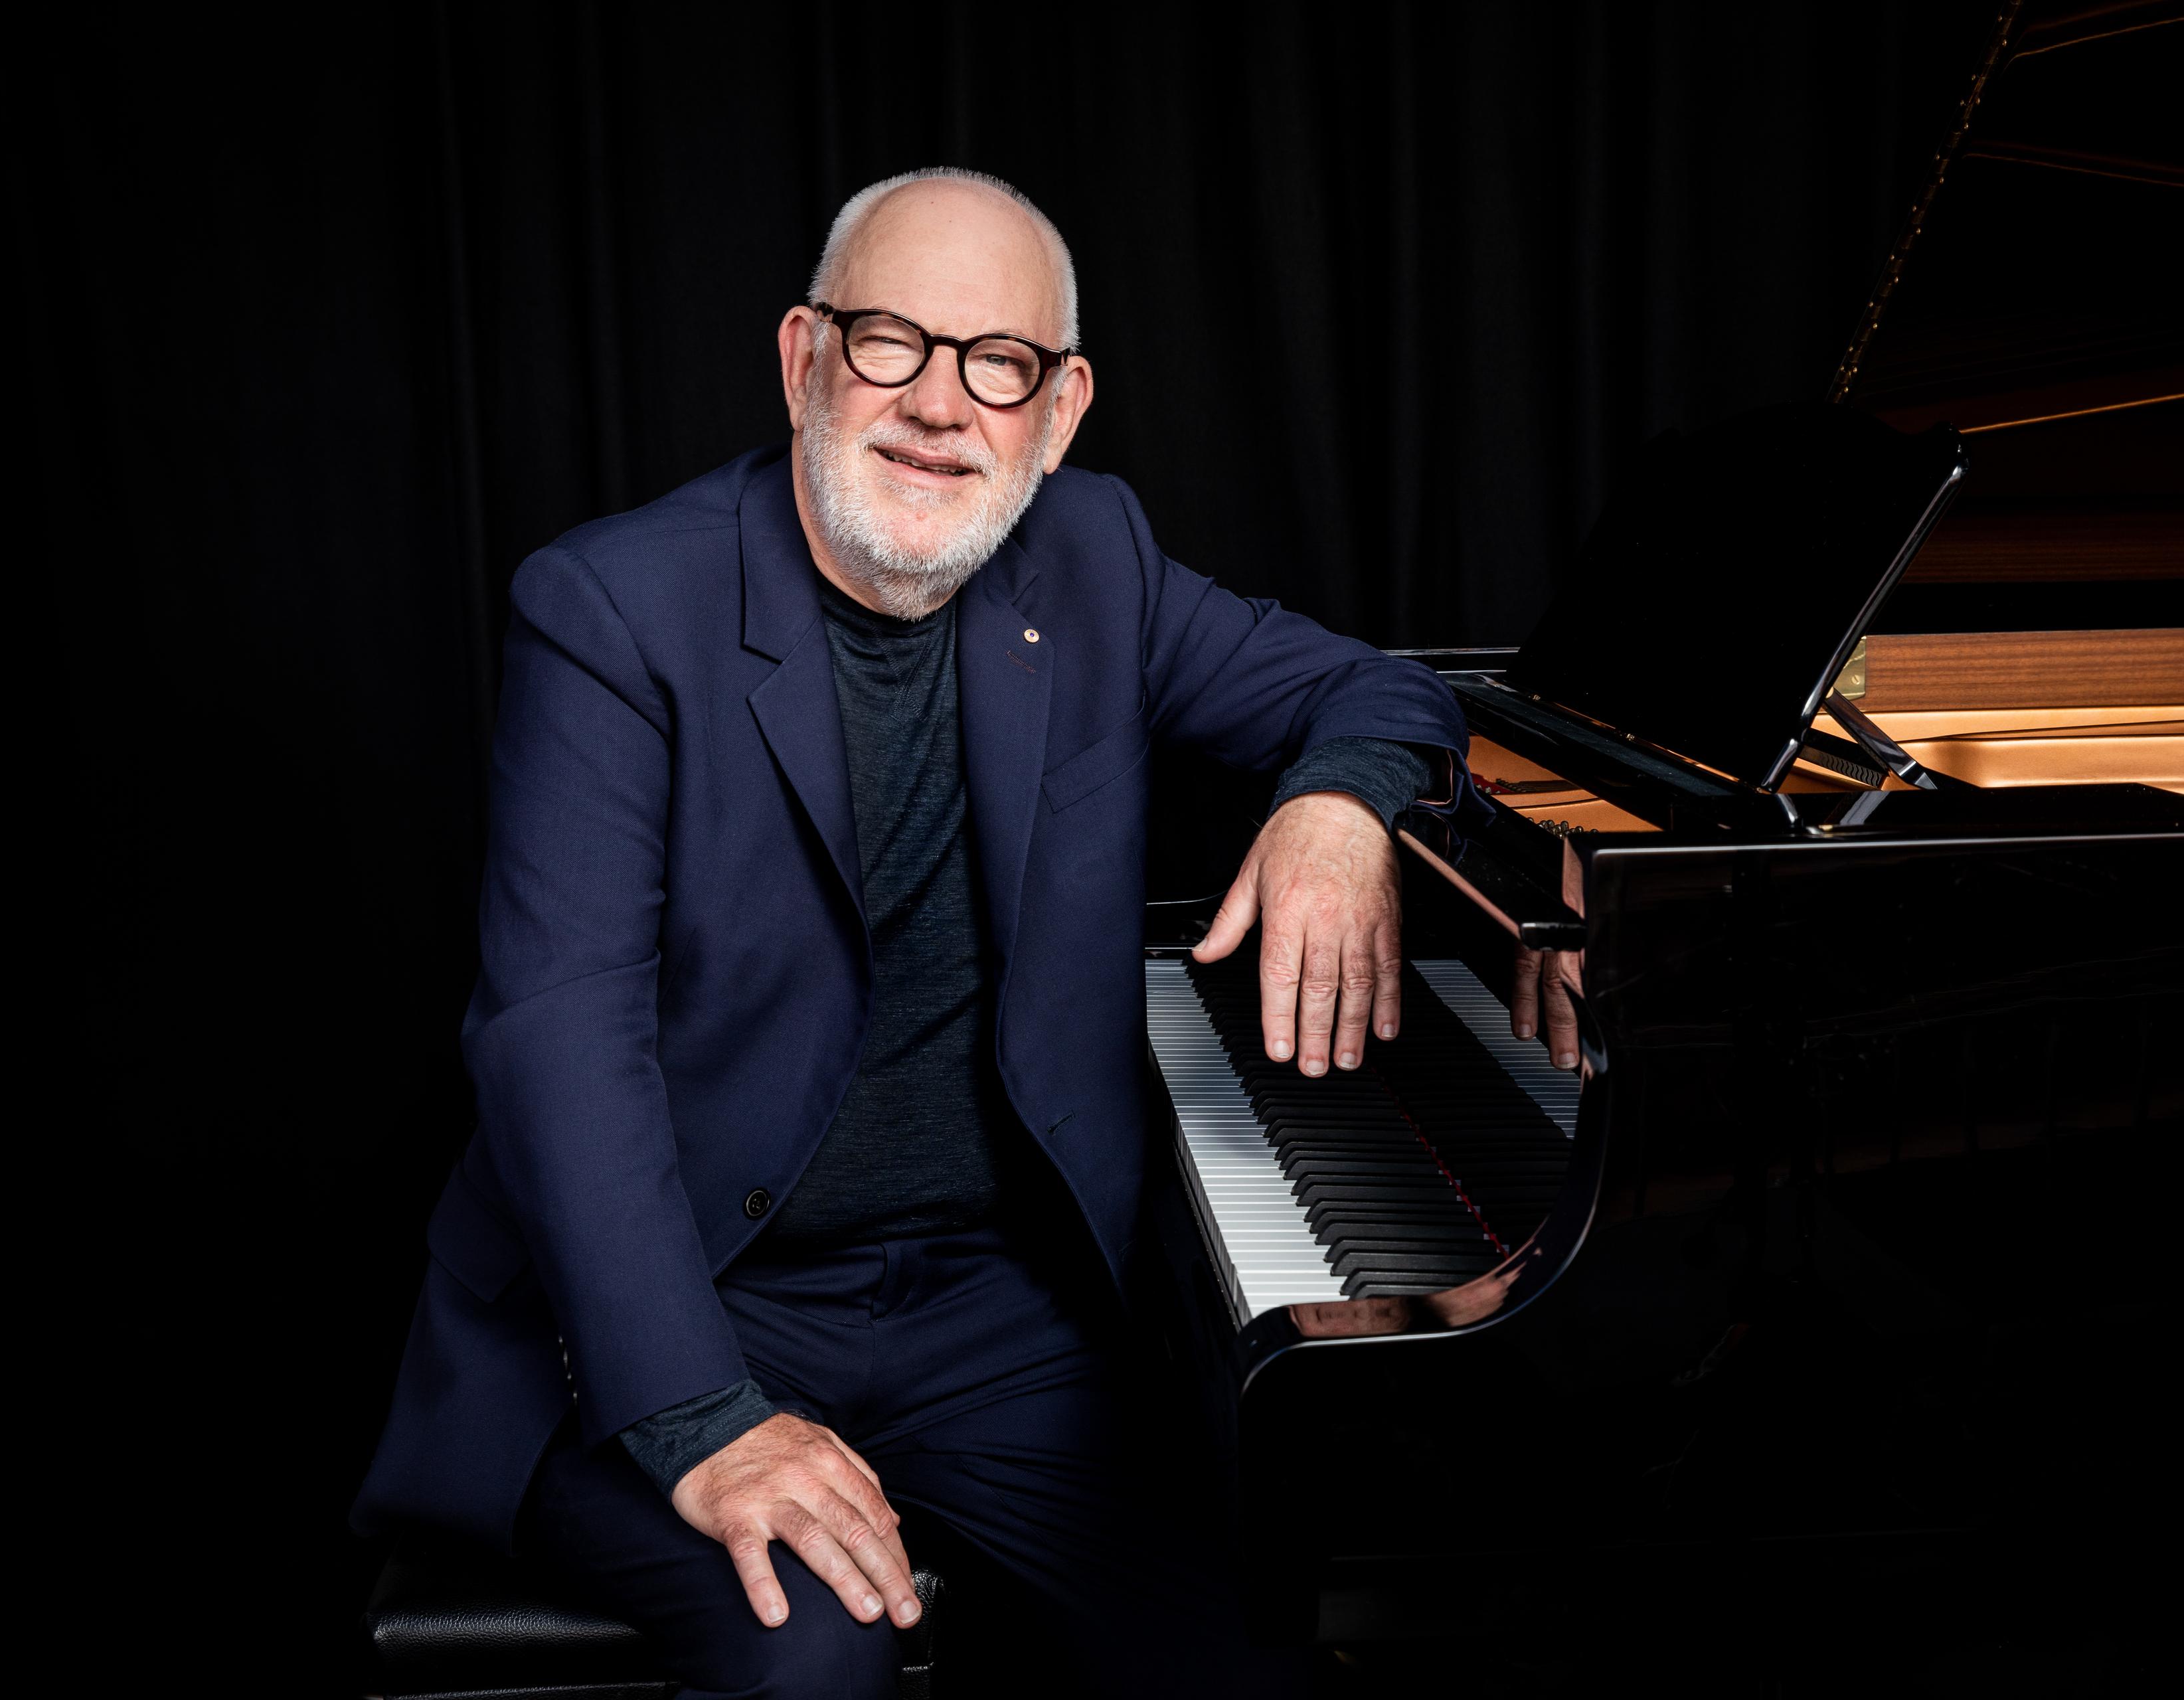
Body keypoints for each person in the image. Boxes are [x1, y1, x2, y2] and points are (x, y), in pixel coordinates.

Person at [353, 167, 1471, 1697]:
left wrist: (1340, 807)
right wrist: (701, 1413)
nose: (942, 403)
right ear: (804, 355)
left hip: (986, 1314)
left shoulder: (1099, 559)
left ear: (1060, 407)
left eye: (997, 362)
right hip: (680, 1291)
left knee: (1253, 1651)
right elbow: (558, 1042)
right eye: (892, 342)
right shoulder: (613, 607)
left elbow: (1383, 690)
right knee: (809, 1657)